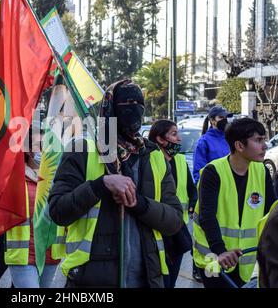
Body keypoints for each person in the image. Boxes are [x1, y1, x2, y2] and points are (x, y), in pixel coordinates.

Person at [48, 79, 183, 288]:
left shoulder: (153, 155)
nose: (134, 109)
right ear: (110, 108)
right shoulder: (82, 148)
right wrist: (100, 185)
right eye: (126, 103)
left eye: (139, 103)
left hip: (147, 280)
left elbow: (174, 220)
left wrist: (139, 203)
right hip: (91, 280)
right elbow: (58, 210)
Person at [193, 118, 277, 288]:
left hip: (244, 260)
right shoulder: (213, 171)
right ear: (239, 146)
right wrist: (220, 251)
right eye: (258, 140)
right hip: (212, 257)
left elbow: (271, 212)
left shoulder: (261, 170)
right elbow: (207, 216)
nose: (265, 146)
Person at [148, 120, 195, 288]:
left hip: (178, 231)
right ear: (160, 139)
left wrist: (193, 203)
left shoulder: (180, 160)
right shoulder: (150, 161)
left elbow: (191, 188)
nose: (179, 139)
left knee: (171, 281)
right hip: (159, 231)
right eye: (174, 134)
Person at [5, 150, 60, 288]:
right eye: (41, 144)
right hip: (23, 255)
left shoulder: (58, 176)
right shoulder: (11, 174)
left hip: (50, 254)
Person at [193, 106, 233, 184]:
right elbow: (199, 170)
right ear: (212, 120)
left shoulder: (231, 138)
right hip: (213, 186)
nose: (225, 120)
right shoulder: (203, 141)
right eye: (221, 117)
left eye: (226, 117)